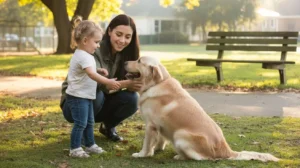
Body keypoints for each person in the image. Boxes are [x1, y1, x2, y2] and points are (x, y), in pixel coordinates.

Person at [60, 14, 143, 142]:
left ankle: (108, 127)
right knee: (95, 93)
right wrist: (126, 83)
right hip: (74, 102)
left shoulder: (126, 55)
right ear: (109, 31)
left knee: (132, 99)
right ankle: (82, 131)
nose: (122, 40)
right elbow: (94, 81)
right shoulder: (94, 49)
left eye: (128, 37)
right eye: (119, 34)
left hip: (99, 100)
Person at [64, 17, 121, 158]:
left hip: (85, 95)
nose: (98, 46)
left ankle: (90, 145)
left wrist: (99, 71)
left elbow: (90, 70)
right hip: (78, 97)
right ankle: (75, 148)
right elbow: (90, 74)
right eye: (96, 42)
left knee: (89, 122)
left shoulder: (86, 55)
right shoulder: (83, 55)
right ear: (84, 41)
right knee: (80, 123)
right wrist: (107, 82)